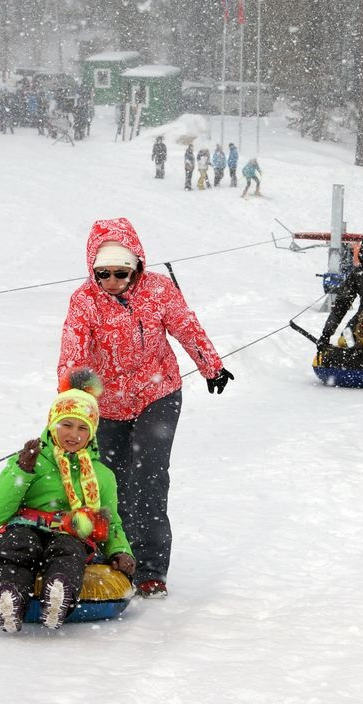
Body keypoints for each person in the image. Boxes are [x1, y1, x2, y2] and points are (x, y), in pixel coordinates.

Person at [58, 218, 234, 598]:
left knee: (149, 476)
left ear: (136, 267)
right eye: (102, 273)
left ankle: (151, 568)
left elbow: (186, 326)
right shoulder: (84, 301)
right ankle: (116, 558)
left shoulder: (158, 291)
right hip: (107, 404)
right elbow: (73, 350)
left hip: (158, 394)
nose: (112, 281)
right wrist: (70, 397)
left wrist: (211, 365)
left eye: (121, 273)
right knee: (109, 481)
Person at [0, 372, 135, 632]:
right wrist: (21, 470)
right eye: (67, 424)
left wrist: (120, 551)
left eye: (82, 427)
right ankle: (9, 597)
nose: (73, 434)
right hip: (25, 526)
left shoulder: (102, 475)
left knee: (68, 553)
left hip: (71, 530)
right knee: (18, 548)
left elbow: (111, 520)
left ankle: (58, 596)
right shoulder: (32, 460)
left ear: (92, 432)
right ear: (52, 424)